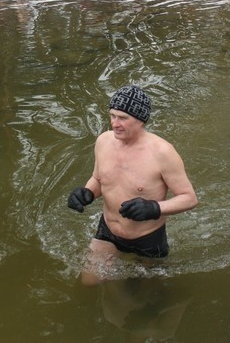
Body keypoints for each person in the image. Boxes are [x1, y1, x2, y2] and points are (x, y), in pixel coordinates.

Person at [67, 85, 198, 285]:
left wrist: (154, 208)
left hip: (147, 239)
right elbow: (98, 179)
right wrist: (87, 193)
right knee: (89, 282)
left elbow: (189, 198)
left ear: (140, 120)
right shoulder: (103, 141)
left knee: (142, 294)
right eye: (112, 115)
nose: (114, 123)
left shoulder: (162, 153)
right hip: (108, 231)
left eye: (122, 118)